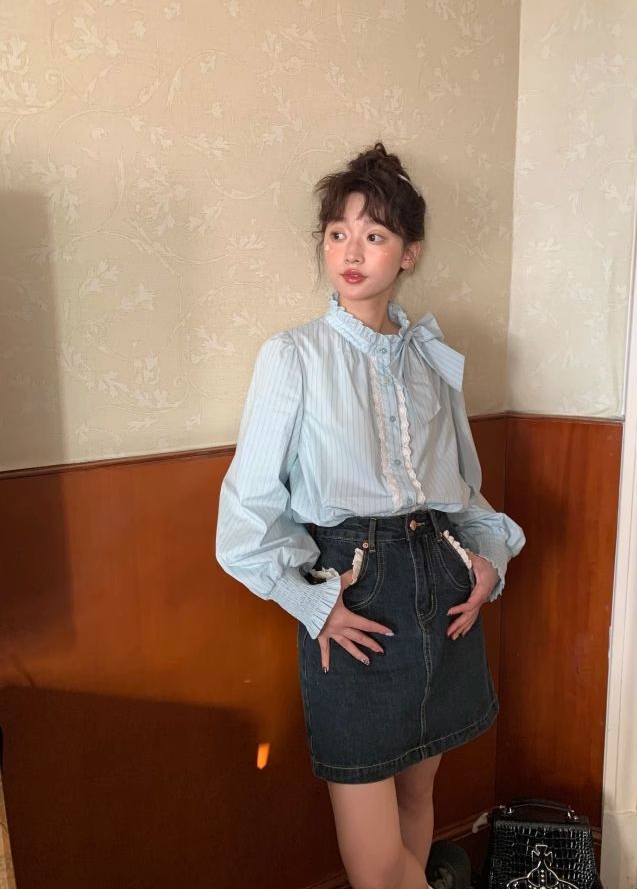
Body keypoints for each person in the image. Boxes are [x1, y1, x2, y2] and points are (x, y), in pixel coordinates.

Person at [216, 142, 525, 889]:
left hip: (443, 587)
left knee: (419, 794)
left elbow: (462, 492)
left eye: (374, 234)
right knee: (376, 857)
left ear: (408, 253)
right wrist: (314, 605)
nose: (351, 252)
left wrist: (489, 562)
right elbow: (247, 513)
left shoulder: (433, 359)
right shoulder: (292, 356)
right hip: (355, 594)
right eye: (337, 233)